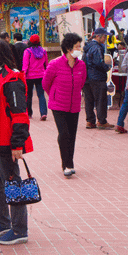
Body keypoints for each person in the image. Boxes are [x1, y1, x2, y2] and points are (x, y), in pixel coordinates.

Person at [0, 39, 33, 245]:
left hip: (5, 142)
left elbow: (20, 114)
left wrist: (18, 144)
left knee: (13, 184)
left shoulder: (12, 79)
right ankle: (4, 222)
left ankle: (20, 230)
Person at [42, 33, 86, 177]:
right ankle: (65, 164)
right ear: (68, 48)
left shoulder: (81, 65)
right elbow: (45, 84)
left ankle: (70, 162)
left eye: (80, 46)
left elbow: (82, 82)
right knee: (64, 133)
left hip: (74, 105)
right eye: (76, 47)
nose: (79, 49)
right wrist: (54, 96)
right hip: (58, 105)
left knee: (72, 135)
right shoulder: (55, 64)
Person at [83, 28, 114, 129]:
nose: (105, 39)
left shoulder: (88, 46)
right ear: (97, 36)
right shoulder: (96, 48)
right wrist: (106, 67)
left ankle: (90, 121)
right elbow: (98, 62)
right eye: (104, 36)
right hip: (96, 77)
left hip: (87, 78)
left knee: (89, 100)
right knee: (100, 100)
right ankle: (101, 121)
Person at [22, 34, 48, 120]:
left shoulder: (27, 51)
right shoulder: (43, 51)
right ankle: (43, 113)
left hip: (29, 76)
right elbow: (46, 65)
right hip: (41, 75)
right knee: (41, 95)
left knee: (29, 95)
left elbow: (25, 65)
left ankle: (29, 113)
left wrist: (23, 75)